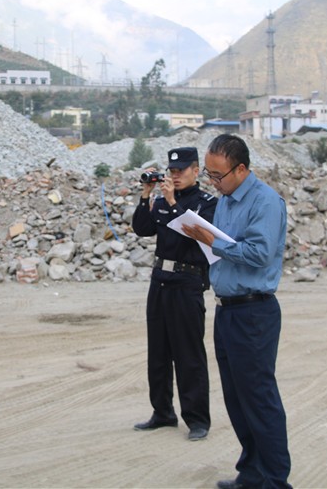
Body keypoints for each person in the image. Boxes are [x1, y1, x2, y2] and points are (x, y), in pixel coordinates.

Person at [182, 134, 292, 488]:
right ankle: (252, 474)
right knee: (237, 398)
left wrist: (214, 242)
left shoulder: (265, 201)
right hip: (227, 311)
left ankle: (275, 481)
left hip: (254, 313)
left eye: (218, 175)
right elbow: (224, 250)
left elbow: (260, 253)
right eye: (209, 175)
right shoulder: (226, 201)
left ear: (241, 169)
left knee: (259, 399)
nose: (213, 183)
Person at [131, 146, 216, 442]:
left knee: (188, 354)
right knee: (158, 352)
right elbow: (142, 229)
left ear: (196, 171)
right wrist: (146, 196)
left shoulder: (206, 203)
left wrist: (172, 202)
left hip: (187, 282)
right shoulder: (162, 199)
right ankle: (162, 411)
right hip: (160, 281)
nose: (175, 176)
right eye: (172, 171)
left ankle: (197, 419)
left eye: (181, 171)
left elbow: (195, 235)